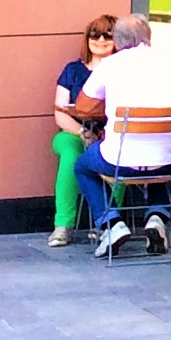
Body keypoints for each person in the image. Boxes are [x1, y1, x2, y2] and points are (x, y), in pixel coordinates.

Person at [72, 15, 171, 258]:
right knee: (162, 161)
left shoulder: (110, 65)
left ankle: (112, 223)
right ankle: (157, 218)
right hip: (167, 160)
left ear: (117, 41)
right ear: (148, 37)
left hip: (119, 160)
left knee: (82, 166)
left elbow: (83, 107)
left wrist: (109, 106)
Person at [47, 15, 117, 247]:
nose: (101, 40)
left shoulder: (122, 71)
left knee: (119, 153)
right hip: (72, 133)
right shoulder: (73, 70)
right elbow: (60, 112)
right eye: (95, 34)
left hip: (109, 133)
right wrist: (83, 133)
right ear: (87, 39)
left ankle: (109, 223)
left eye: (108, 35)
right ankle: (63, 225)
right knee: (71, 155)